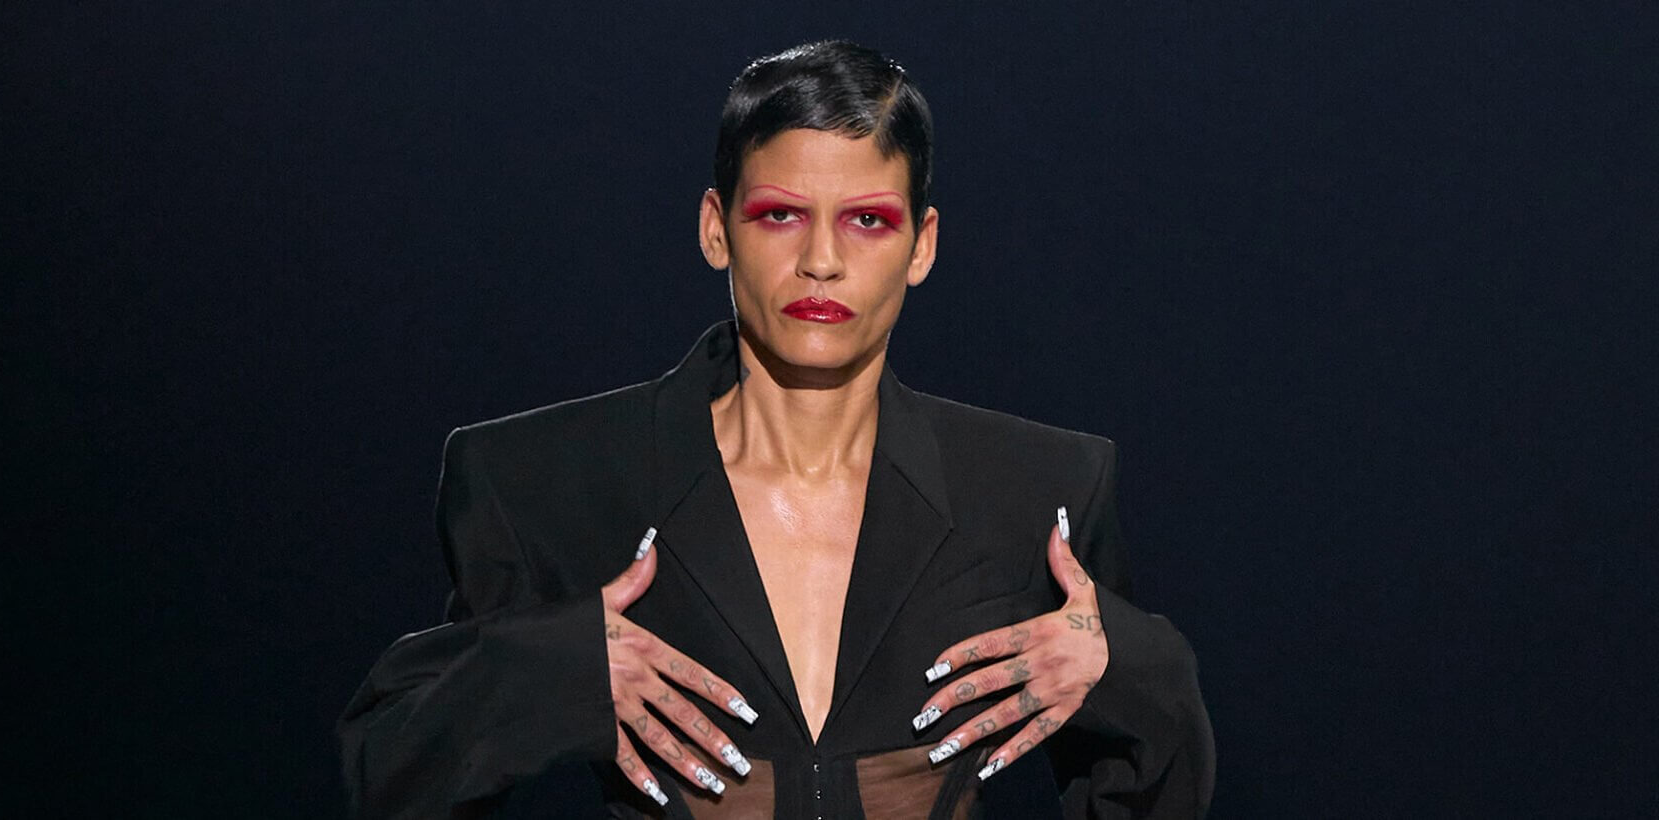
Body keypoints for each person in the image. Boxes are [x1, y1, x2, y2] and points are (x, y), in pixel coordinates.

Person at [339, 40, 1213, 819]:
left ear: (922, 245)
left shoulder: (1032, 491)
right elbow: (390, 773)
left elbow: (1154, 789)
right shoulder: (549, 482)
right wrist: (553, 669)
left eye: (867, 220)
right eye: (780, 215)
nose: (821, 261)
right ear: (716, 229)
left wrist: (1129, 671)